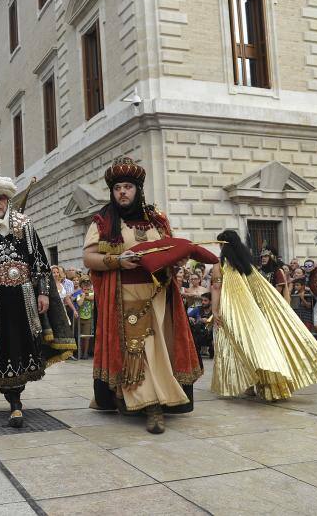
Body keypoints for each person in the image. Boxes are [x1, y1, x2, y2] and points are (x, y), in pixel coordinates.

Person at [82, 157, 202, 434]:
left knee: (159, 351)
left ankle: (156, 397)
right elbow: (89, 257)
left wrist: (178, 261)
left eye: (127, 187)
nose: (122, 192)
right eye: (117, 188)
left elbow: (171, 250)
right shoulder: (103, 221)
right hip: (123, 297)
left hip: (159, 296)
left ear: (137, 189)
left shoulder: (156, 220)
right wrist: (117, 261)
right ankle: (150, 405)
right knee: (139, 351)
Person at [0, 176, 75, 427]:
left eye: (1, 198)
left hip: (24, 298)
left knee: (25, 345)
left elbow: (40, 264)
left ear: (8, 200)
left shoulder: (25, 224)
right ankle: (14, 401)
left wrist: (44, 292)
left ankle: (16, 399)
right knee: (1, 348)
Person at [209, 230, 317, 401]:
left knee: (235, 345)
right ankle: (260, 383)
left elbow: (216, 289)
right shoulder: (249, 266)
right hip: (252, 313)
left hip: (231, 311)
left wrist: (215, 310)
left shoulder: (219, 266)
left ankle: (247, 384)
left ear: (223, 245)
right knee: (254, 345)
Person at [188, 292, 214, 361]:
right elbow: (186, 316)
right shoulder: (197, 309)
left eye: (205, 300)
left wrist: (209, 321)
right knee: (197, 325)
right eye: (202, 300)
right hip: (198, 334)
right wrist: (190, 318)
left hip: (211, 335)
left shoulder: (215, 311)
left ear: (211, 301)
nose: (203, 302)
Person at [75, 277, 95, 359]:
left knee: (86, 337)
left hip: (88, 318)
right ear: (81, 288)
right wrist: (83, 296)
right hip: (80, 318)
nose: (86, 290)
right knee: (78, 336)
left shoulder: (92, 294)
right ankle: (79, 352)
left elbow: (93, 298)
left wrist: (85, 296)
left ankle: (85, 353)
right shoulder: (79, 295)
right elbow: (79, 303)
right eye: (84, 289)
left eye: (88, 288)